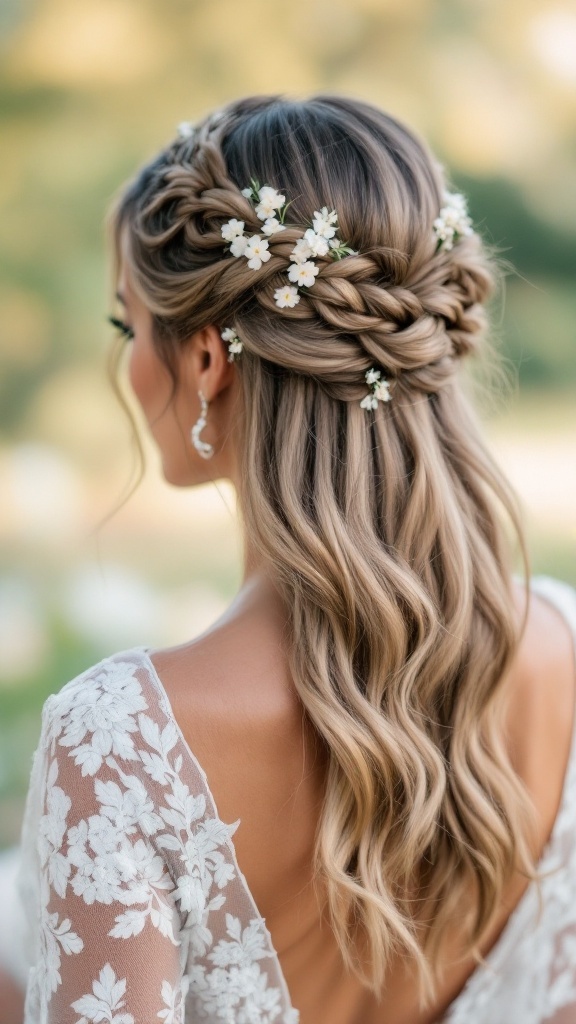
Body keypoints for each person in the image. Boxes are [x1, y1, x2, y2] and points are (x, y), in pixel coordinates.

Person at [16, 95, 576, 1024]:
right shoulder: (565, 645)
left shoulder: (120, 743)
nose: (128, 366)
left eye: (128, 327)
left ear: (206, 362)